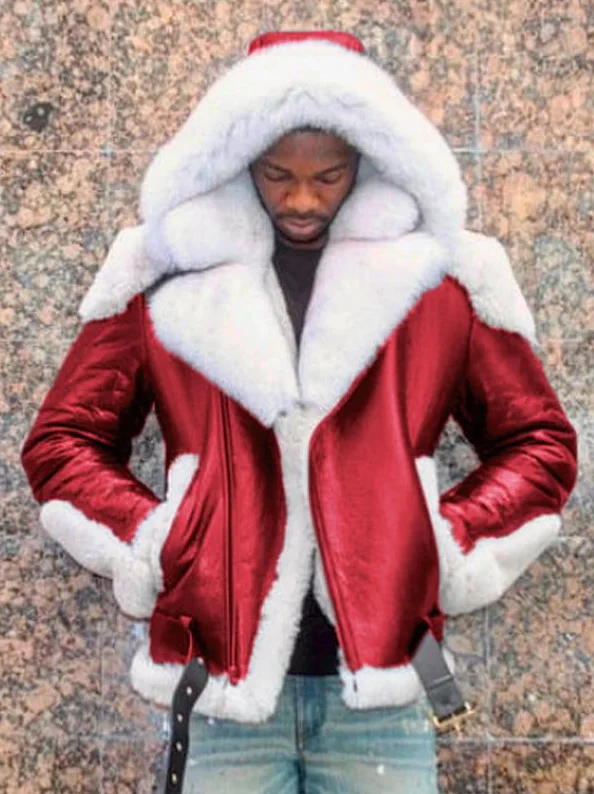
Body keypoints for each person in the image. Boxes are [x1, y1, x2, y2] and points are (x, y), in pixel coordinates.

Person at [21, 30, 577, 794]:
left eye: (328, 175)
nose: (303, 199)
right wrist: (155, 542)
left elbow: (538, 442)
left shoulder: (445, 278)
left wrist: (444, 543)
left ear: (367, 159)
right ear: (240, 155)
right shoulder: (162, 271)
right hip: (214, 686)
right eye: (278, 174)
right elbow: (64, 440)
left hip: (390, 681)